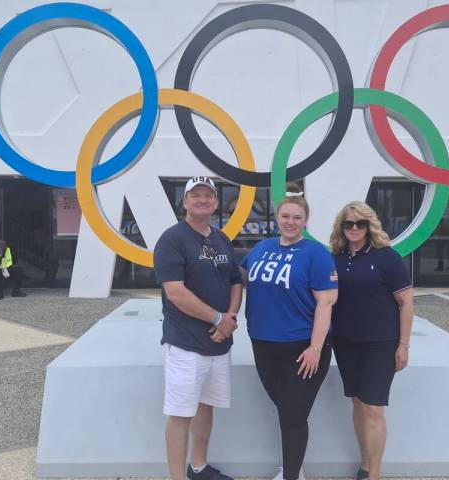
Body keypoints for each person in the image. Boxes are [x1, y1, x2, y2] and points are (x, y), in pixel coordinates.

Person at [240, 185, 338, 480]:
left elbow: (326, 301)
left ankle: (291, 475)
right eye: (285, 216)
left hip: (301, 347)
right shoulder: (261, 248)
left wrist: (316, 348)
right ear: (277, 217)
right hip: (263, 344)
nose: (290, 222)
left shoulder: (316, 254)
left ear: (305, 220)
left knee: (294, 415)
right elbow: (240, 279)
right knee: (285, 409)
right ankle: (292, 465)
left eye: (297, 217)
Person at [153, 176, 243, 480]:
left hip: (219, 344)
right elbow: (175, 292)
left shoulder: (221, 239)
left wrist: (229, 317)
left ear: (216, 202)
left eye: (208, 195)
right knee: (180, 414)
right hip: (185, 344)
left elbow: (235, 281)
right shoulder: (172, 239)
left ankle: (199, 467)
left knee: (207, 407)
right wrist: (218, 320)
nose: (202, 200)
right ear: (185, 202)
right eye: (196, 195)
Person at [329, 201, 414, 480]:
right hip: (345, 342)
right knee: (357, 403)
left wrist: (403, 345)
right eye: (349, 223)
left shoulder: (386, 256)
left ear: (370, 226)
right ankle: (365, 465)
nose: (354, 228)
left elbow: (406, 302)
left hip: (380, 344)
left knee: (373, 408)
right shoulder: (336, 257)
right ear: (342, 227)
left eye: (360, 223)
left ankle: (374, 475)